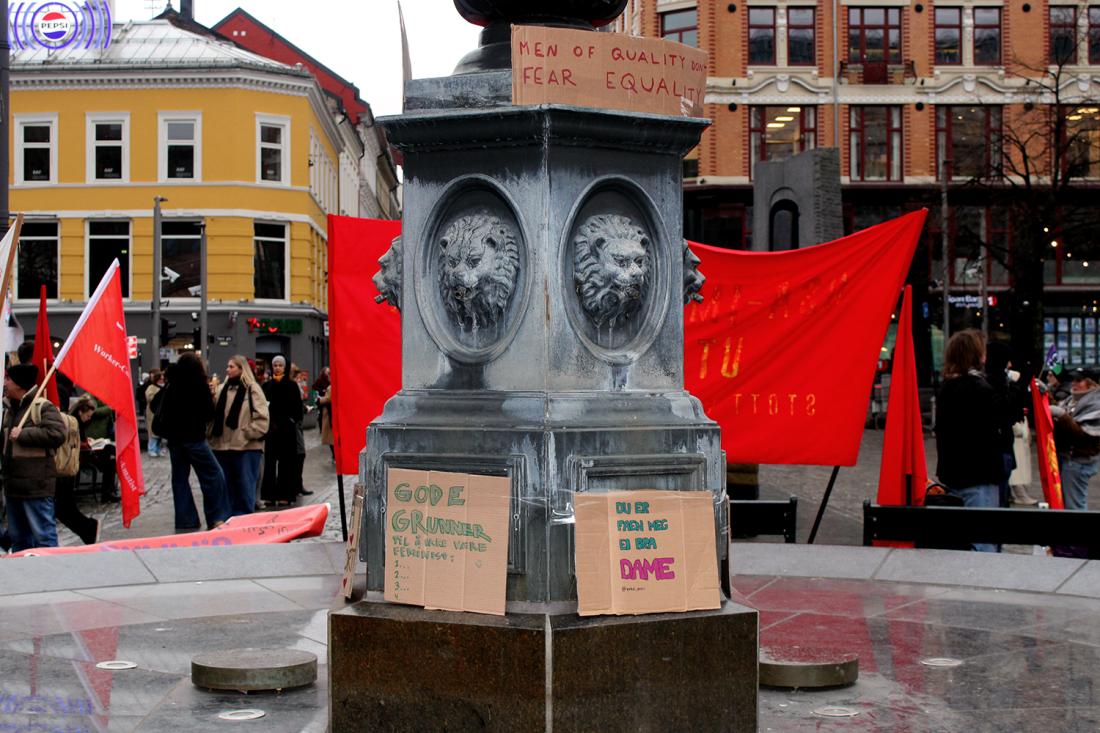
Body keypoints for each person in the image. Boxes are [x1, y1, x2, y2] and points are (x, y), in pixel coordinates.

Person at [934, 329, 1009, 552]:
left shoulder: (948, 387)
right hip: (979, 476)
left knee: (962, 542)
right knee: (982, 543)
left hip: (954, 474)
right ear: (976, 355)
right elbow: (1003, 414)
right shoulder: (976, 387)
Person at [154, 353, 230, 530]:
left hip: (174, 439)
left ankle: (185, 520)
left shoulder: (172, 383)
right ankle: (217, 516)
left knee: (180, 479)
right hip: (194, 437)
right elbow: (209, 413)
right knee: (213, 475)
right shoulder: (198, 384)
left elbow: (155, 405)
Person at [3, 364, 67, 552]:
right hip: (13, 487)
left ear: (20, 385)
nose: (5, 383)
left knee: (44, 538)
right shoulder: (9, 409)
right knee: (19, 540)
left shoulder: (42, 407)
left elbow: (57, 434)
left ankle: (51, 577)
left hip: (36, 486)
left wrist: (23, 434)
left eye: (9, 379)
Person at [209, 355, 270, 517]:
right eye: (228, 366)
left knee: (244, 486)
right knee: (225, 487)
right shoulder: (222, 389)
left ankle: (244, 520)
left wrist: (247, 433)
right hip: (222, 445)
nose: (227, 370)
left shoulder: (252, 388)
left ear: (242, 369)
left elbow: (262, 418)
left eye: (232, 367)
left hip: (246, 447)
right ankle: (227, 518)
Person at [1051, 367, 1100, 511]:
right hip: (1070, 459)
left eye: (1079, 380)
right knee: (1068, 505)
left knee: (1074, 507)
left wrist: (1062, 416)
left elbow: (1083, 434)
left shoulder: (1096, 403)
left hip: (1078, 461)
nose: (1073, 383)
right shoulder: (1073, 399)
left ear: (1091, 383)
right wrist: (1046, 395)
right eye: (1073, 379)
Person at [260, 355, 304, 507]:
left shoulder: (291, 386)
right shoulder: (266, 386)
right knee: (270, 464)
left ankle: (285, 495)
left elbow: (298, 409)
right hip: (271, 431)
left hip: (287, 431)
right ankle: (269, 495)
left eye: (280, 365)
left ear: (285, 367)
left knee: (286, 464)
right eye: (275, 365)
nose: (277, 368)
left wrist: (291, 420)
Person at [70, 395, 120, 503]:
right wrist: (87, 444)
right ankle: (107, 493)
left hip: (86, 450)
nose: (89, 418)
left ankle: (108, 491)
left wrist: (88, 441)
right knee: (110, 461)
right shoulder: (75, 422)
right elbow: (75, 441)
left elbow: (80, 438)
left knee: (110, 449)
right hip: (82, 454)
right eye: (88, 416)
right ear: (80, 412)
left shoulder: (79, 421)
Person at [145, 369, 166, 457]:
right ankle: (152, 449)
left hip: (162, 414)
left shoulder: (164, 387)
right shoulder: (151, 387)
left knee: (160, 433)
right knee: (153, 432)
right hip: (153, 413)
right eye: (160, 378)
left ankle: (158, 449)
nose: (162, 380)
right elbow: (149, 397)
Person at [318, 383, 334, 462]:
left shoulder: (331, 387)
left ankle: (334, 456)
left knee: (330, 437)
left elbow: (329, 398)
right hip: (329, 414)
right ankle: (334, 456)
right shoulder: (330, 386)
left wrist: (319, 400)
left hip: (329, 415)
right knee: (330, 437)